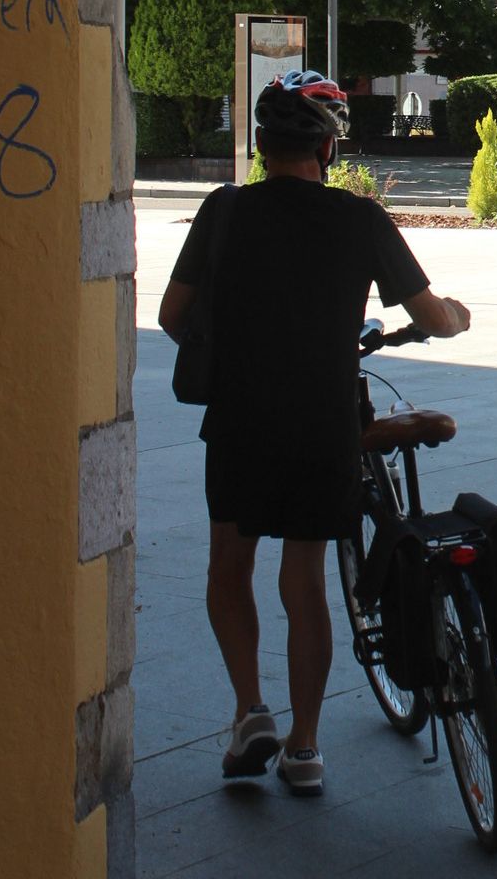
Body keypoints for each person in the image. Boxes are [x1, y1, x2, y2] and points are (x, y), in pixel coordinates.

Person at [159, 71, 470, 798]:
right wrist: (456, 314)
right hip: (323, 423)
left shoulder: (223, 213)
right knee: (305, 581)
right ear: (328, 149)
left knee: (228, 565)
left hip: (239, 419)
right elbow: (429, 316)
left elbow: (175, 316)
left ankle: (249, 712)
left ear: (261, 145)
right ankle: (304, 747)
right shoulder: (359, 219)